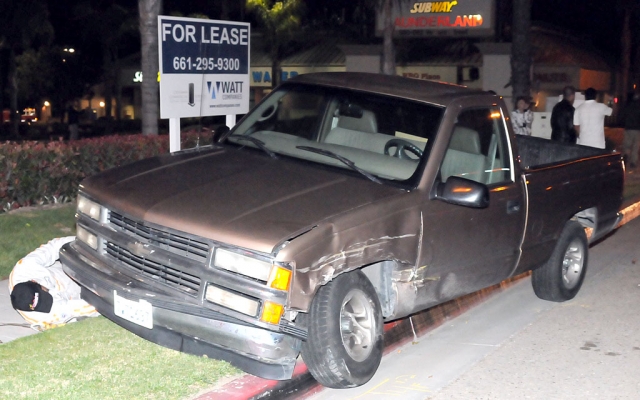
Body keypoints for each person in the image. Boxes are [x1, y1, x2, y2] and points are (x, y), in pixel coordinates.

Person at [9, 237, 99, 331]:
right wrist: (107, 302)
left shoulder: (25, 268)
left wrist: (84, 241)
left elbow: (54, 247)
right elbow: (80, 308)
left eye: (44, 295)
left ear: (34, 281)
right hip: (80, 291)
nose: (47, 300)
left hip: (68, 269)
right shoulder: (43, 316)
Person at [620, 93, 640, 169]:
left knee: (627, 144)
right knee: (635, 146)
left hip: (628, 128)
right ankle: (633, 162)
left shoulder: (627, 106)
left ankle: (625, 156)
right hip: (637, 129)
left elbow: (622, 115)